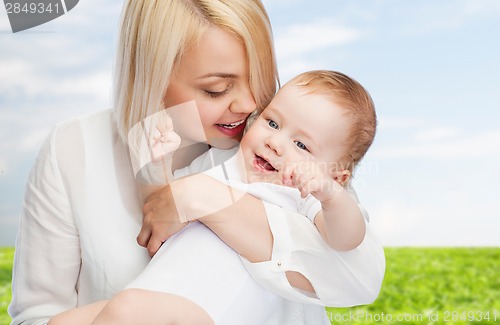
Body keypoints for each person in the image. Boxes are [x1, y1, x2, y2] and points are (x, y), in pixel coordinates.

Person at [9, 0, 385, 324]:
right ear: (150, 74)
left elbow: (358, 276)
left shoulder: (302, 161)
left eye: (260, 78)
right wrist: (159, 170)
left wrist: (204, 199)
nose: (250, 105)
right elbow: (158, 205)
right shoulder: (73, 149)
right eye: (216, 89)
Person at [48, 69, 377, 325]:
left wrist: (332, 196)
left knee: (127, 309)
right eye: (273, 122)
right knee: (64, 321)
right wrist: (158, 165)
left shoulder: (304, 196)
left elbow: (345, 240)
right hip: (161, 288)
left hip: (208, 307)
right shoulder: (221, 164)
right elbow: (164, 208)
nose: (276, 143)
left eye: (302, 145)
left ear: (337, 175)